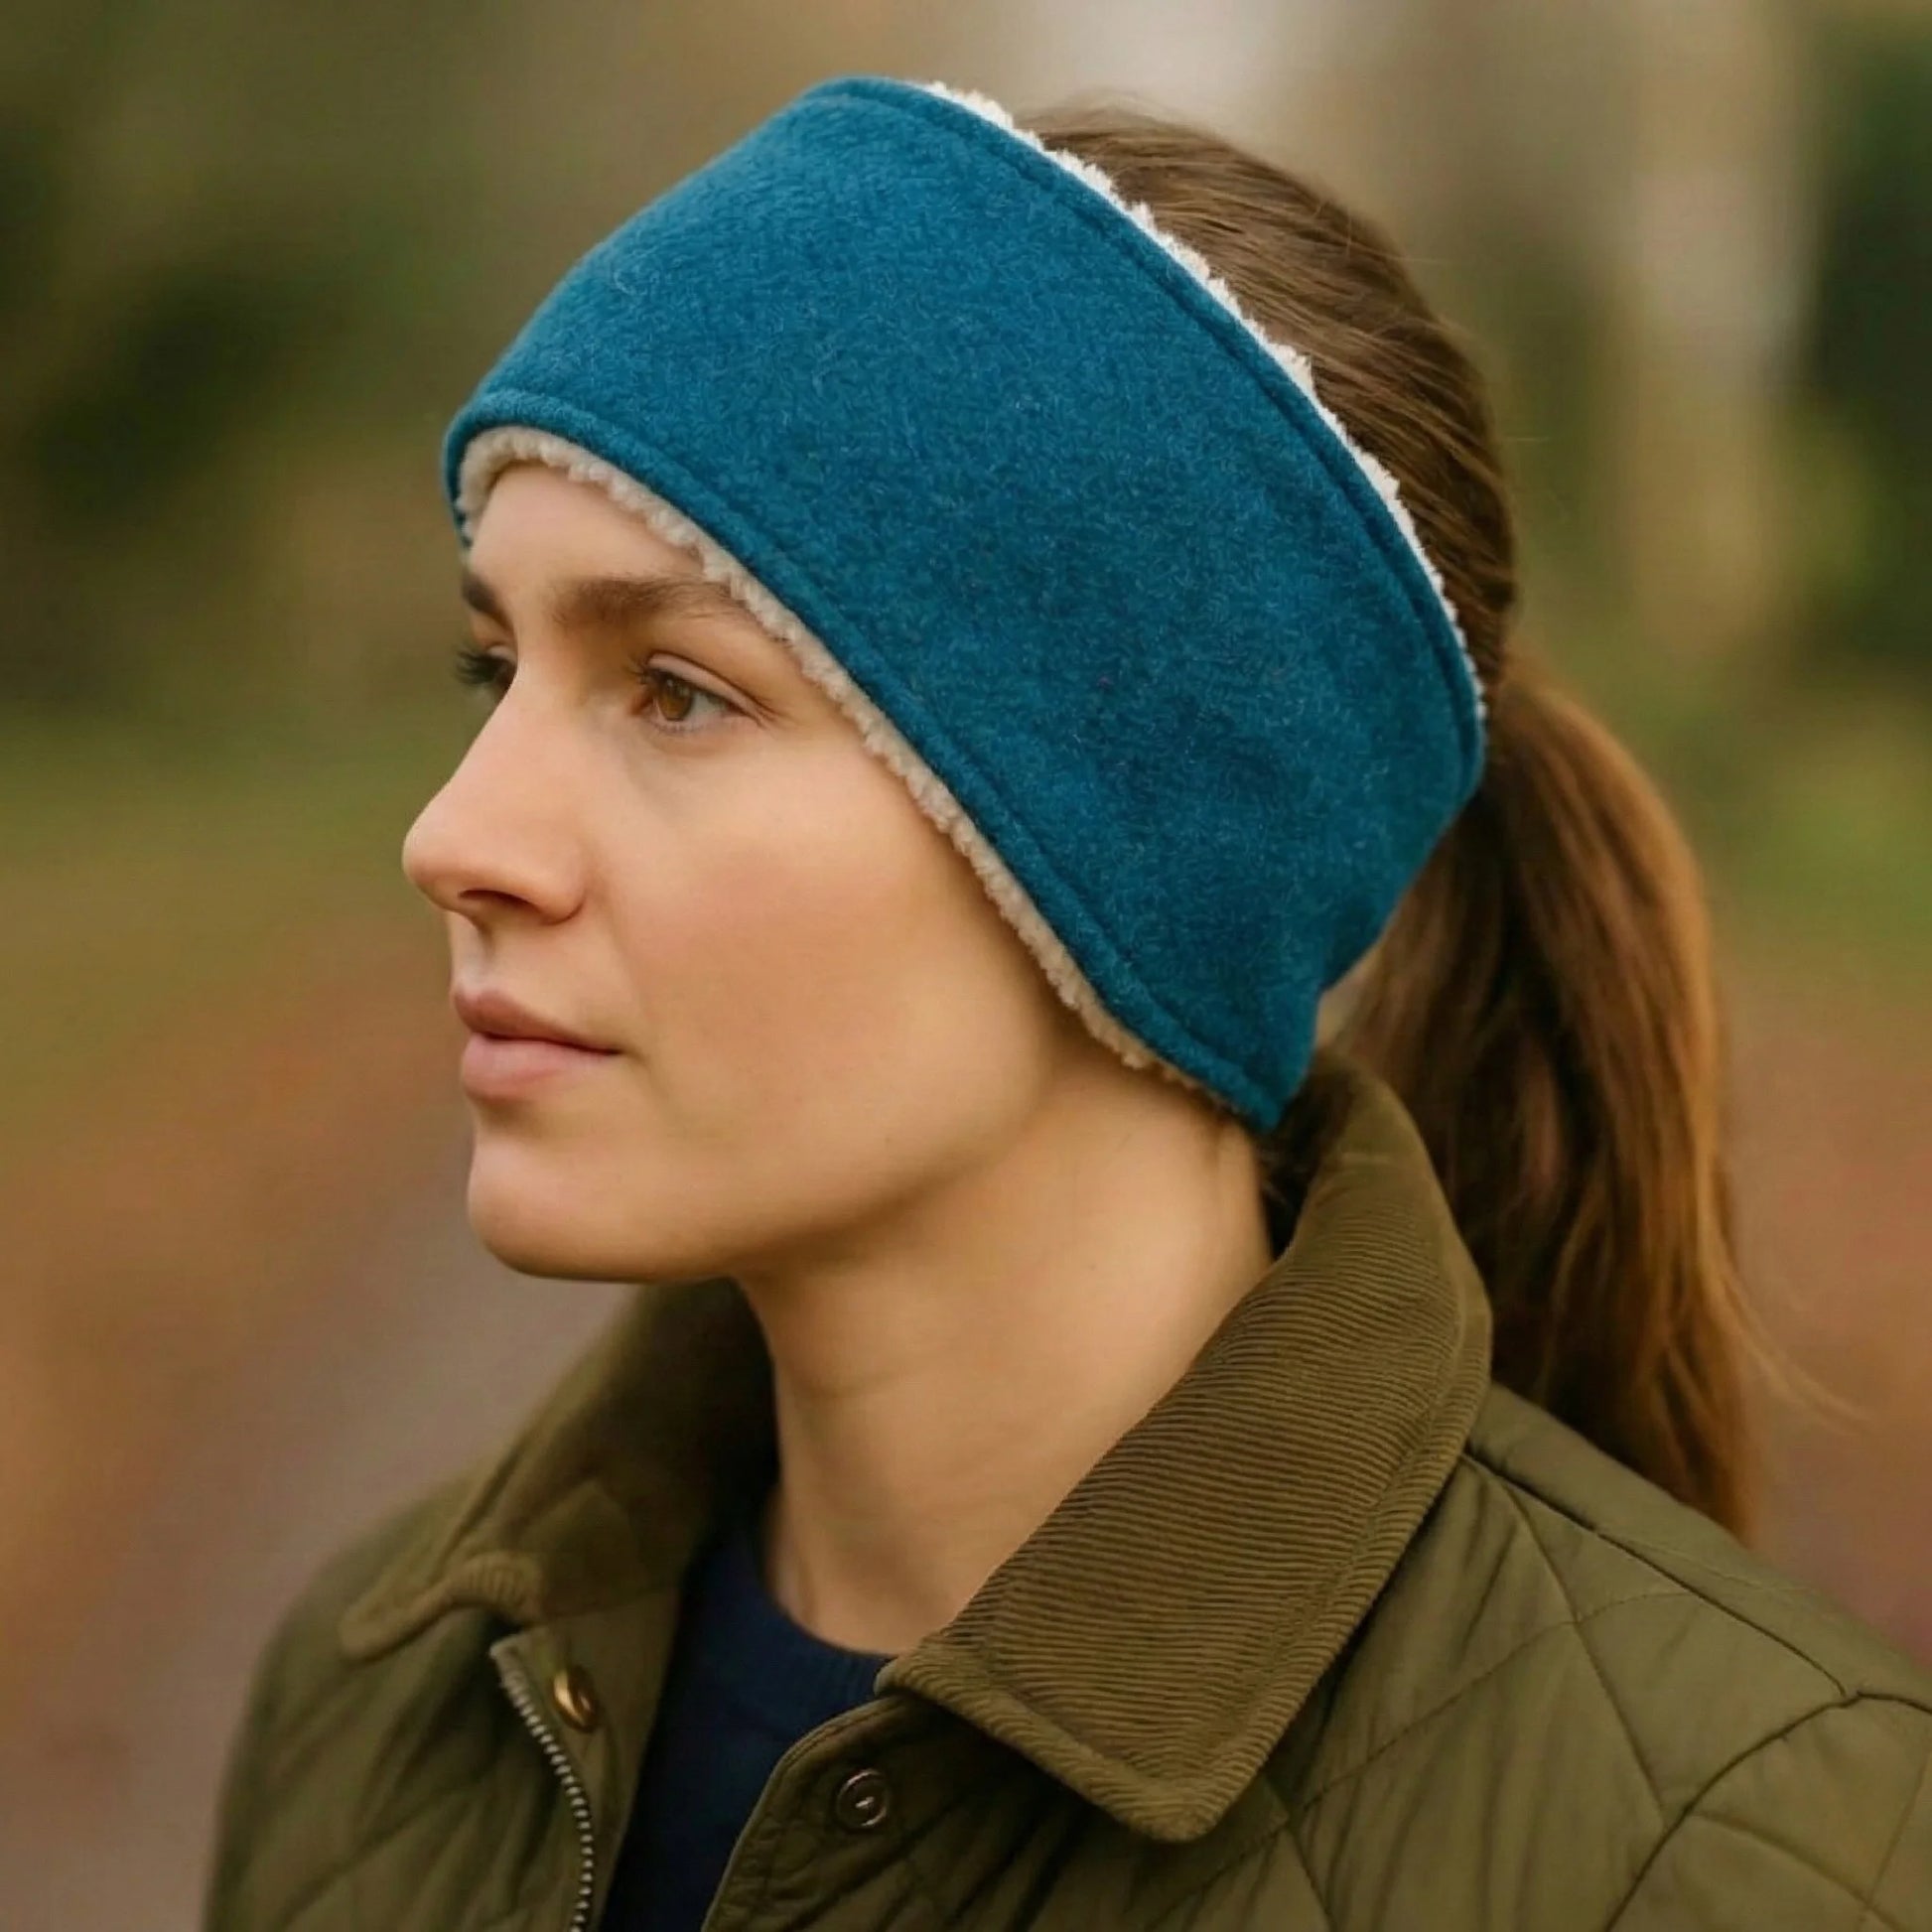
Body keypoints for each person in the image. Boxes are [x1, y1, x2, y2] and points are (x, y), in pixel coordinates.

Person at [202, 73, 1932, 1931]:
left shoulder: (1731, 1851)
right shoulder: (386, 1698)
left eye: (677, 691)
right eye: (495, 666)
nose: (457, 835)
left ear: (1134, 854)